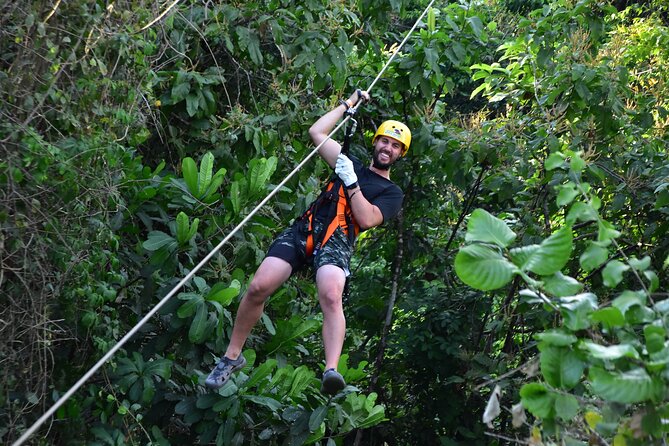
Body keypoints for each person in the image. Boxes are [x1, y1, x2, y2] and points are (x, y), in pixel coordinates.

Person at [205, 89, 410, 395]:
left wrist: (351, 182)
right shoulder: (348, 159)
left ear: (399, 154)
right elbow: (317, 131)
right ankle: (231, 358)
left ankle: (331, 370)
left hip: (337, 241)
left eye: (395, 146)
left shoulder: (391, 192)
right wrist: (349, 103)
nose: (387, 148)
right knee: (260, 285)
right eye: (384, 141)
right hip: (306, 229)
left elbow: (367, 218)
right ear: (375, 142)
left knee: (330, 292)